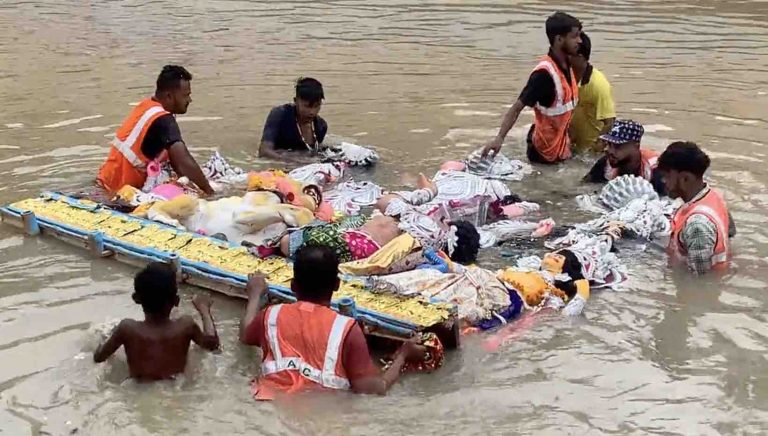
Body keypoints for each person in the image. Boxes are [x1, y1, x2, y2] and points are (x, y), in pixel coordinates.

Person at [239, 245, 427, 399]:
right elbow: (373, 389)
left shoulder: (270, 316)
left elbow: (245, 335)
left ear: (293, 285)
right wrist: (403, 355)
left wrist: (255, 294)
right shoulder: (347, 329)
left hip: (268, 403)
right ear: (337, 285)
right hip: (325, 415)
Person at [481, 12, 582, 164]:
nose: (579, 41)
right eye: (574, 36)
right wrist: (499, 138)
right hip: (543, 154)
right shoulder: (544, 75)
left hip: (561, 148)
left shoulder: (568, 64)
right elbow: (516, 108)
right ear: (559, 39)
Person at [97, 65, 214, 196]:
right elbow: (183, 162)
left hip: (104, 182)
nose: (189, 100)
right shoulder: (163, 119)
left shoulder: (146, 106)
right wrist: (209, 192)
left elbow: (176, 163)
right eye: (186, 95)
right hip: (117, 194)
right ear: (169, 96)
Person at [93, 262, 220, 380]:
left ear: (136, 299)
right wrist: (204, 310)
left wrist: (103, 339)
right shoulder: (186, 325)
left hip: (138, 390)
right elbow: (212, 345)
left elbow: (99, 357)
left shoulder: (127, 328)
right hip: (175, 388)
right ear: (176, 301)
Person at [656, 142, 731, 274]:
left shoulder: (697, 225)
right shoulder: (714, 196)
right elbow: (731, 234)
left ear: (685, 178)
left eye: (667, 176)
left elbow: (700, 279)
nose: (663, 181)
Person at [583, 119, 665, 194]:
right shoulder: (606, 163)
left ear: (636, 146)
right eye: (609, 144)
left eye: (618, 146)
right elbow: (584, 187)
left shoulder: (656, 168)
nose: (609, 150)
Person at [259, 77, 329, 162]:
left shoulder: (321, 126)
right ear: (296, 101)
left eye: (317, 106)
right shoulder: (280, 115)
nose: (312, 112)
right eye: (307, 106)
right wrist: (296, 161)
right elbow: (264, 152)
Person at [569, 32, 616, 153]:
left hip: (590, 153)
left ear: (580, 57)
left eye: (568, 55)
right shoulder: (566, 78)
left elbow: (609, 122)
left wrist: (596, 147)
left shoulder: (598, 85)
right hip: (571, 145)